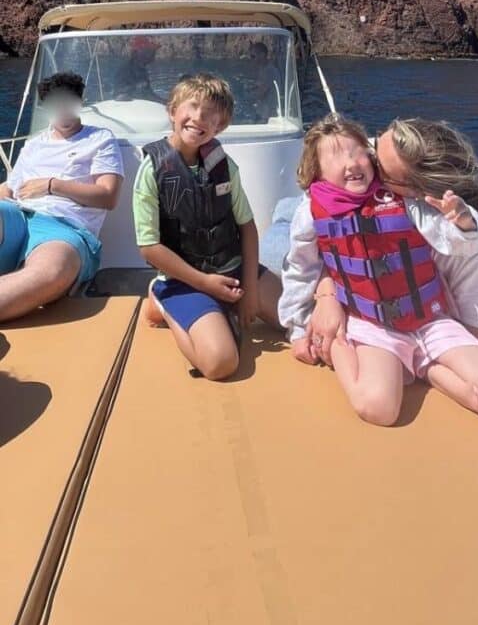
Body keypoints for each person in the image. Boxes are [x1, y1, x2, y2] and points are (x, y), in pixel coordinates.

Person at [279, 114, 478, 432]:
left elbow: (450, 239)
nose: (354, 162)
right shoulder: (310, 210)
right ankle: (339, 346)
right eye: (336, 155)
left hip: (430, 319)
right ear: (316, 170)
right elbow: (300, 267)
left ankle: (424, 365)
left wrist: (462, 225)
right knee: (377, 407)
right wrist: (301, 325)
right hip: (373, 324)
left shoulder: (406, 200)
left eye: (359, 151)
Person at [133, 73, 280, 380]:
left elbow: (248, 227)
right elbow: (149, 247)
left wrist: (250, 291)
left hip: (233, 269)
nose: (199, 117)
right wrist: (204, 283)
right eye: (192, 106)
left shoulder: (225, 166)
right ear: (173, 111)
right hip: (184, 278)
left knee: (295, 320)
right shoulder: (152, 170)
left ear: (220, 126)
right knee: (220, 363)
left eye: (210, 114)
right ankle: (162, 301)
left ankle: (220, 305)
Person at [0, 72, 124, 321]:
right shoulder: (34, 145)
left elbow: (107, 196)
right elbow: (9, 187)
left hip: (63, 226)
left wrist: (52, 185)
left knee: (51, 272)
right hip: (18, 214)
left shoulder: (100, 139)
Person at [113, 35, 164, 102]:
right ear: (138, 52)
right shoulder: (125, 70)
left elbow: (149, 94)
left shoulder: (142, 70)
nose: (153, 54)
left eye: (153, 51)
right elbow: (119, 95)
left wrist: (165, 102)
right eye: (150, 51)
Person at [250, 42, 281, 122]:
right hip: (262, 112)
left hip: (267, 116)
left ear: (262, 55)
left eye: (253, 56)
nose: (252, 59)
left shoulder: (269, 71)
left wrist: (248, 94)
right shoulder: (263, 69)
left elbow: (261, 93)